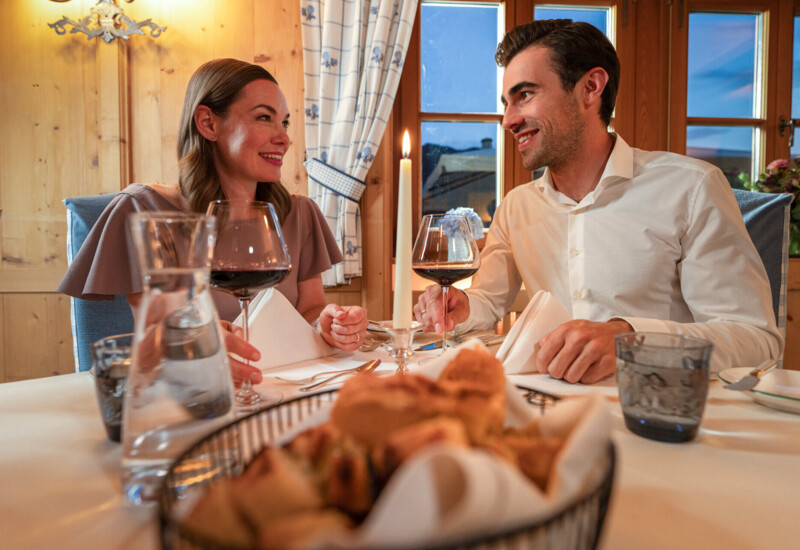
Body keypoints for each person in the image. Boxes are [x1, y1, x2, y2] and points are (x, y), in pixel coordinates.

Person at [414, 20, 781, 383]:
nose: (509, 120)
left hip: (660, 417)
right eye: (507, 102)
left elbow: (756, 341)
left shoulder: (692, 188)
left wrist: (630, 340)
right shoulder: (516, 207)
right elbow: (489, 302)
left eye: (525, 95)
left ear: (590, 88)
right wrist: (460, 309)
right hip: (550, 408)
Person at [60, 58, 368, 385]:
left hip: (285, 389)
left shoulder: (298, 214)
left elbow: (310, 309)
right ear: (208, 123)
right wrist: (192, 339)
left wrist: (329, 324)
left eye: (285, 123)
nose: (284, 139)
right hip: (190, 397)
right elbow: (159, 331)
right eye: (264, 118)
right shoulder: (144, 211)